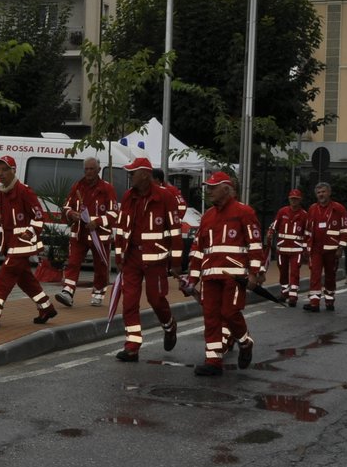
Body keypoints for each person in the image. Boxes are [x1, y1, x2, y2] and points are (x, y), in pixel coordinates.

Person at [187, 171, 264, 376]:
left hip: (234, 276)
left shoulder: (244, 212)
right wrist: (191, 279)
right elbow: (197, 250)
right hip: (211, 276)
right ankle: (213, 361)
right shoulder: (207, 217)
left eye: (213, 187)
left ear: (226, 189)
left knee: (229, 313)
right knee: (211, 317)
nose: (209, 191)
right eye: (208, 187)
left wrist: (255, 273)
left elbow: (255, 244)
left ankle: (245, 342)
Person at [110, 157, 185, 362]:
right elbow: (120, 229)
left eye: (132, 173)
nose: (129, 176)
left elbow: (176, 232)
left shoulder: (165, 197)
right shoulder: (127, 197)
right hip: (131, 258)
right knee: (130, 302)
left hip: (156, 261)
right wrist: (119, 255)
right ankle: (132, 345)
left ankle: (169, 326)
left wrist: (176, 263)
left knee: (156, 299)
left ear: (144, 174)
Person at [0, 154, 58, 330]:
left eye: (5, 170)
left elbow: (38, 216)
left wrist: (30, 231)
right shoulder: (2, 194)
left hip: (21, 245)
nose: (1, 174)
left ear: (13, 171)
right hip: (10, 244)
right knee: (25, 279)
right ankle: (46, 308)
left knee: (3, 279)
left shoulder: (24, 191)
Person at [55, 155, 116, 308]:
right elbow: (67, 206)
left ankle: (98, 293)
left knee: (101, 266)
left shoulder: (107, 189)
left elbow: (114, 214)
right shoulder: (77, 187)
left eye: (92, 169)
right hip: (79, 234)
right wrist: (71, 214)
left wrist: (98, 222)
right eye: (86, 169)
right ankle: (67, 292)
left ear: (99, 170)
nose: (88, 172)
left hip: (99, 236)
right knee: (73, 263)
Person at [303, 181, 347, 313]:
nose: (321, 194)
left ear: (329, 193)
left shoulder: (339, 208)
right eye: (318, 193)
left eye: (323, 191)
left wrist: (341, 247)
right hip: (316, 248)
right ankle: (314, 302)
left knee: (330, 275)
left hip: (332, 249)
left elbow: (345, 229)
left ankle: (329, 300)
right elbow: (308, 230)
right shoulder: (312, 208)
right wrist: (306, 247)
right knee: (315, 274)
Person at [265, 188, 309, 306]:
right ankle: (284, 292)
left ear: (300, 200)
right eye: (292, 199)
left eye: (296, 199)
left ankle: (293, 295)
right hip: (282, 247)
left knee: (295, 272)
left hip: (296, 249)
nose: (294, 201)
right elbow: (274, 225)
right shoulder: (282, 212)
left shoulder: (304, 215)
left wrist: (306, 249)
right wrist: (270, 232)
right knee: (283, 271)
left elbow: (308, 233)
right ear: (289, 199)